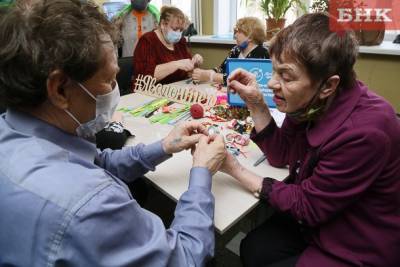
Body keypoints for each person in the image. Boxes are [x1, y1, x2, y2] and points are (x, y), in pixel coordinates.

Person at [0, 1, 227, 266]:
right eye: (109, 80)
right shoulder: (91, 205)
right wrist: (201, 173)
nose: (114, 91)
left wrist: (164, 145)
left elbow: (98, 161)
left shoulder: (14, 128)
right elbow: (185, 257)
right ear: (60, 89)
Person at [223, 13, 400, 267]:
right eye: (275, 71)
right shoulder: (314, 100)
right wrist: (255, 102)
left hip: (357, 242)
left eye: (286, 76)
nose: (272, 83)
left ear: (328, 85)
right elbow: (281, 153)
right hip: (323, 218)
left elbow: (307, 206)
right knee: (253, 247)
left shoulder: (367, 132)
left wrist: (234, 168)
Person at [132, 6, 203, 86]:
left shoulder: (180, 42)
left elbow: (188, 73)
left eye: (181, 30)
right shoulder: (147, 41)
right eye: (175, 29)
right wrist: (176, 64)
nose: (178, 34)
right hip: (151, 92)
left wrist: (194, 63)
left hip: (177, 89)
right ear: (162, 24)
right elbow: (144, 78)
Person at [192, 17, 269, 85]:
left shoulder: (261, 53)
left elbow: (242, 80)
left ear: (250, 37)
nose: (235, 35)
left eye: (239, 32)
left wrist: (211, 76)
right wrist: (202, 73)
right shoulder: (236, 50)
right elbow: (222, 69)